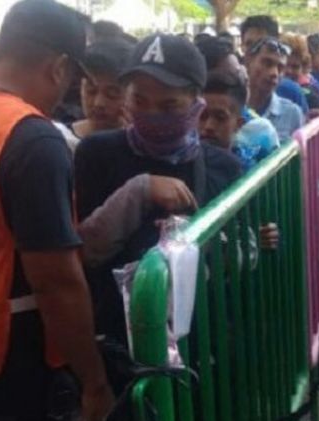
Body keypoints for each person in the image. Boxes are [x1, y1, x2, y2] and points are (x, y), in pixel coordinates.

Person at [0, 2, 114, 421]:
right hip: (6, 369)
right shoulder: (31, 140)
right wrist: (93, 382)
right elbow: (56, 280)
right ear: (58, 68)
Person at [75, 33, 241, 345]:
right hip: (116, 339)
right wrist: (138, 192)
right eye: (139, 101)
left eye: (168, 105)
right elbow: (84, 252)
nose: (152, 114)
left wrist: (247, 244)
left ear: (195, 102)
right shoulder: (96, 153)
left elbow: (232, 264)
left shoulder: (224, 167)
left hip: (199, 343)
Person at [55, 38, 134, 152]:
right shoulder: (61, 141)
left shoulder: (143, 149)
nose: (98, 103)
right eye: (91, 91)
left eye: (112, 94)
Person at [200, 71, 279, 171]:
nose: (209, 126)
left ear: (238, 124)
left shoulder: (251, 173)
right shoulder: (179, 165)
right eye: (202, 116)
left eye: (220, 118)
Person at [240, 15, 309, 114]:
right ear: (241, 46)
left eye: (262, 44)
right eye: (249, 44)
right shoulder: (225, 90)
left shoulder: (292, 92)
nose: (253, 51)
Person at [245, 36, 304, 141]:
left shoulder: (292, 114)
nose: (274, 73)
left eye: (280, 68)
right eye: (267, 63)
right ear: (249, 61)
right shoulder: (231, 109)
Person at [282, 33, 319, 110]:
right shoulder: (264, 91)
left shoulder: (309, 95)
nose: (289, 71)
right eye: (284, 65)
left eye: (295, 67)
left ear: (303, 68)